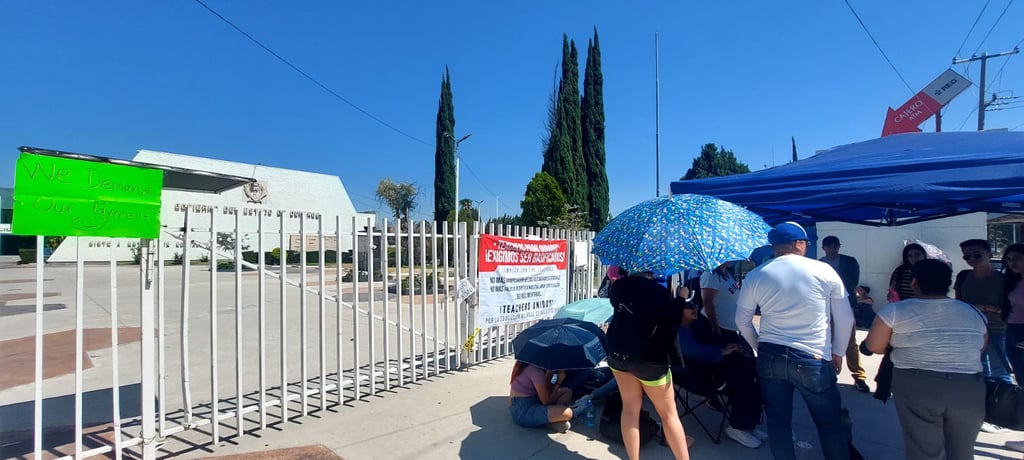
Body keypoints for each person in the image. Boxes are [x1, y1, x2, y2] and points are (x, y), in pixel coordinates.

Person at [736, 221, 853, 460]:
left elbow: (742, 321)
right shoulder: (823, 270)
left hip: (771, 355)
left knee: (778, 422)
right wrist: (838, 351)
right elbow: (845, 317)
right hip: (812, 357)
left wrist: (759, 346)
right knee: (829, 423)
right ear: (799, 244)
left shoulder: (757, 274)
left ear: (775, 246)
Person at [863, 259, 988, 460]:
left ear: (914, 282)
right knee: (962, 451)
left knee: (924, 450)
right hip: (969, 386)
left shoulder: (896, 311)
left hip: (918, 384)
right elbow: (981, 347)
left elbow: (874, 346)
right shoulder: (973, 312)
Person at [607, 270, 691, 459]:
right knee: (669, 415)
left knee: (629, 409)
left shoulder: (619, 286)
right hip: (649, 359)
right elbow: (670, 324)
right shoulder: (657, 292)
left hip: (619, 354)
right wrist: (680, 299)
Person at [677, 300, 765, 449]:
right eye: (689, 307)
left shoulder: (697, 325)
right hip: (697, 376)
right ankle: (738, 427)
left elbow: (713, 339)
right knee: (744, 379)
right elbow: (693, 352)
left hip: (711, 369)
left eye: (695, 305)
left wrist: (727, 346)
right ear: (679, 311)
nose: (695, 309)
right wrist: (721, 352)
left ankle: (749, 424)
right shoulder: (677, 331)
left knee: (752, 371)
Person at [953, 239, 1013, 435]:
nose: (972, 259)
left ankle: (1004, 415)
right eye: (967, 256)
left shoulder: (1004, 280)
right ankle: (986, 412)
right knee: (979, 371)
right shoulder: (964, 276)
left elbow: (1008, 308)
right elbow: (959, 303)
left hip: (997, 330)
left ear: (989, 254)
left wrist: (983, 308)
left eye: (977, 255)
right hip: (970, 330)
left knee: (999, 371)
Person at [819, 236, 870, 393]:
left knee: (850, 341)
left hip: (846, 304)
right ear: (824, 248)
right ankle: (828, 373)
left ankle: (858, 375)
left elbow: (852, 282)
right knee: (825, 339)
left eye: (835, 246)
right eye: (829, 247)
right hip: (825, 307)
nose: (833, 250)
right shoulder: (819, 263)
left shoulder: (850, 261)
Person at [508, 360, 591, 432]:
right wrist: (558, 381)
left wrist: (551, 374)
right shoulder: (535, 370)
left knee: (567, 392)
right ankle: (554, 418)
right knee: (568, 413)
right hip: (524, 411)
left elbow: (546, 389)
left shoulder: (526, 363)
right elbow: (546, 401)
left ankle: (552, 418)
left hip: (531, 399)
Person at [699, 260, 743, 338]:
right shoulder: (710, 275)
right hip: (720, 327)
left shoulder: (727, 273)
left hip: (729, 326)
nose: (732, 258)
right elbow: (708, 303)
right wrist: (715, 327)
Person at [1000, 243, 1024, 385]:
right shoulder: (1015, 281)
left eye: (1017, 258)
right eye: (1008, 259)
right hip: (1012, 329)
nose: (1012, 262)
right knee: (1019, 372)